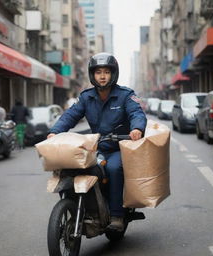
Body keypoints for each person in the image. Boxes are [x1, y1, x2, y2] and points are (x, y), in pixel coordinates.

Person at [47, 52, 147, 231]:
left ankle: (117, 215)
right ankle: (75, 206)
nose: (102, 76)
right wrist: (55, 132)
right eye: (98, 72)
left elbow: (136, 113)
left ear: (113, 74)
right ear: (92, 75)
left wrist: (137, 129)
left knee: (113, 168)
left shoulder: (125, 95)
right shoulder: (86, 97)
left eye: (106, 72)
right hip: (95, 147)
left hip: (117, 147)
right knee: (71, 167)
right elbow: (70, 115)